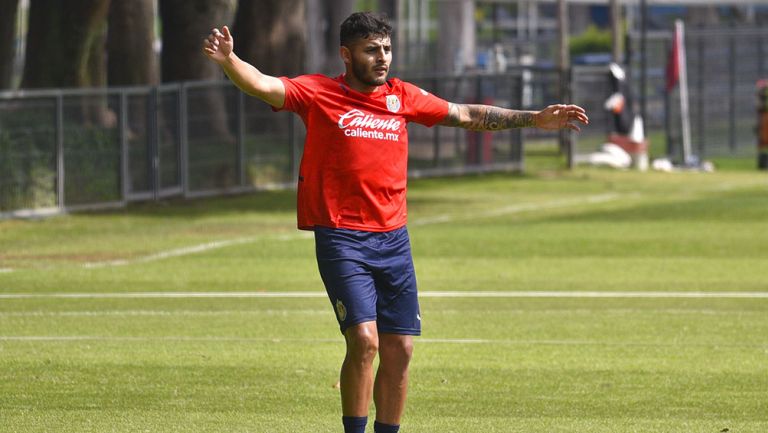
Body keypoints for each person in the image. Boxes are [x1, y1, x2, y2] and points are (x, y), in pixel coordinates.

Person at [203, 12, 588, 433]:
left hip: (393, 240)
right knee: (365, 341)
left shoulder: (402, 96)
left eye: (387, 49)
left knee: (401, 348)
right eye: (372, 50)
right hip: (342, 237)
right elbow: (263, 84)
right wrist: (229, 62)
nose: (383, 58)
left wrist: (535, 118)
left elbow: (465, 114)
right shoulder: (319, 93)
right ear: (346, 55)